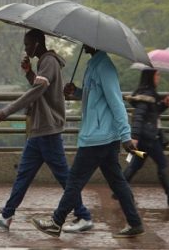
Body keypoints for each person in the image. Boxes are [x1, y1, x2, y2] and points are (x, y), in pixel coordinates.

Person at [0, 29, 93, 233]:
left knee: (64, 177)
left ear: (37, 43)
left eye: (27, 44)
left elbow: (37, 91)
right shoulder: (44, 63)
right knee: (24, 175)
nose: (25, 48)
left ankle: (83, 215)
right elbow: (40, 86)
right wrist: (28, 72)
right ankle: (7, 215)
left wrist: (6, 111)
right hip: (39, 129)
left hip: (47, 129)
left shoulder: (49, 61)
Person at [31, 45, 143, 238]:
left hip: (98, 138)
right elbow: (95, 97)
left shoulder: (104, 67)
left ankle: (56, 222)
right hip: (101, 136)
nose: (82, 43)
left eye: (86, 41)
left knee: (74, 180)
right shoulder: (94, 65)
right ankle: (135, 223)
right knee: (117, 181)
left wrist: (126, 135)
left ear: (96, 43)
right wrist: (76, 92)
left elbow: (116, 101)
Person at [121, 69, 169, 205]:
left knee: (135, 165)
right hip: (150, 138)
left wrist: (164, 104)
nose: (159, 77)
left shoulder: (147, 93)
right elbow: (139, 117)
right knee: (162, 164)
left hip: (146, 138)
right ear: (150, 76)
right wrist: (134, 137)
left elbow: (152, 113)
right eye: (157, 75)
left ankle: (119, 189)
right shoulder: (146, 95)